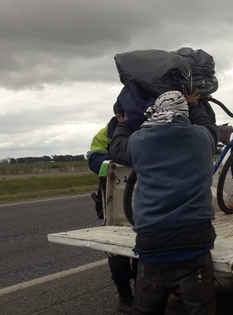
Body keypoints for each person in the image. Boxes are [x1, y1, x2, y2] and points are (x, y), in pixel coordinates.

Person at [128, 90, 219, 315]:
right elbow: (211, 128)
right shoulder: (202, 137)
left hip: (152, 246)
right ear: (184, 113)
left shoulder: (137, 141)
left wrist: (123, 121)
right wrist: (195, 104)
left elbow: (118, 145)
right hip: (194, 244)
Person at [87, 101, 139, 313]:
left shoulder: (141, 128)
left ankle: (142, 292)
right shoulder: (104, 134)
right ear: (120, 116)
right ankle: (125, 297)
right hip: (114, 201)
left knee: (141, 250)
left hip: (140, 199)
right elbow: (95, 162)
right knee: (116, 251)